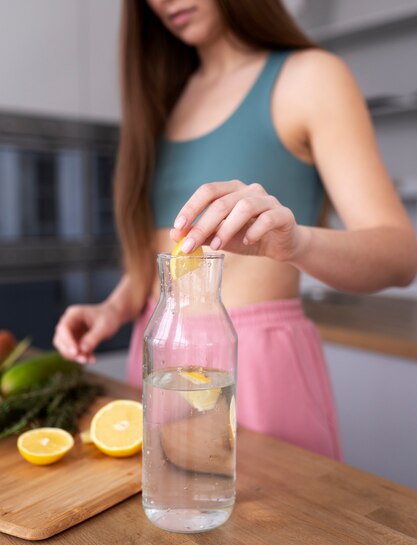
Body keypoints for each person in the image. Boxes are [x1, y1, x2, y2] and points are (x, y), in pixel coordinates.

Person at [53, 0, 417, 460]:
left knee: (277, 525)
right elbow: (169, 246)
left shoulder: (311, 77)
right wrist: (114, 307)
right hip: (157, 349)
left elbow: (401, 256)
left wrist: (296, 242)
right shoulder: (164, 97)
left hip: (254, 363)